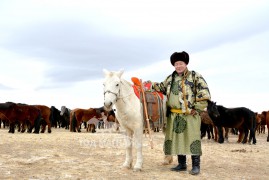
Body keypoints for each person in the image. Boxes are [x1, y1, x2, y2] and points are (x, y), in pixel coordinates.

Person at [152, 51, 211, 175]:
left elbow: (204, 93)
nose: (178, 66)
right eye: (176, 64)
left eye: (181, 63)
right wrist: (146, 84)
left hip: (190, 114)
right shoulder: (170, 78)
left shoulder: (194, 76)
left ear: (186, 64)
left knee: (193, 138)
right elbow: (160, 87)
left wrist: (197, 108)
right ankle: (182, 164)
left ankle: (196, 166)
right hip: (174, 115)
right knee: (178, 139)